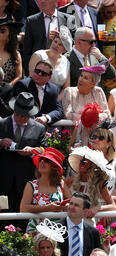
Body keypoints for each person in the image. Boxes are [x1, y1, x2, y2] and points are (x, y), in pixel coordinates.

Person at [0, 92, 47, 231]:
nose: (21, 118)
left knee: (24, 222)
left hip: (26, 183)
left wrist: (32, 151)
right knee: (3, 220)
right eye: (19, 114)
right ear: (14, 111)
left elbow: (45, 151)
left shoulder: (39, 128)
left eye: (25, 115)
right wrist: (1, 142)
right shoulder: (2, 124)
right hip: (3, 182)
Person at [19, 147, 68, 234]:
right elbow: (23, 208)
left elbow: (71, 201)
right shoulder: (31, 185)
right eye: (41, 159)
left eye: (47, 160)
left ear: (54, 166)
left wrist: (66, 206)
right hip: (35, 232)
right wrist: (48, 208)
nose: (42, 162)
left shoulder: (61, 184)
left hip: (57, 232)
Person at [22, 0, 76, 75]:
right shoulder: (31, 21)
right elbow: (27, 50)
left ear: (56, 1)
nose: (43, 1)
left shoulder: (68, 19)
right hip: (38, 70)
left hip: (61, 68)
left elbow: (74, 44)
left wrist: (63, 38)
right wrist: (30, 72)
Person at [58, 192, 101, 256]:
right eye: (71, 203)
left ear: (85, 211)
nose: (71, 207)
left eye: (76, 205)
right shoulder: (56, 228)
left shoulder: (93, 232)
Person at [66, 146, 116, 221]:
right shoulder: (70, 181)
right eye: (81, 161)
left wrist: (97, 208)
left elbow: (113, 206)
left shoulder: (99, 183)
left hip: (88, 223)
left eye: (85, 161)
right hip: (70, 221)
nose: (81, 163)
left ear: (92, 165)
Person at [13, 60, 65, 125]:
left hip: (44, 128)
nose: (39, 74)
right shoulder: (23, 85)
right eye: (37, 71)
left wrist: (46, 118)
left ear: (49, 77)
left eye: (43, 73)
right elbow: (20, 108)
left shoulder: (53, 89)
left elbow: (59, 111)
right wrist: (40, 117)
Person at [28, 25, 72, 96]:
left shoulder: (66, 62)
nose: (56, 45)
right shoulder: (39, 55)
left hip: (57, 99)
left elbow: (66, 87)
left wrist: (56, 100)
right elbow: (32, 79)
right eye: (55, 41)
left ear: (65, 50)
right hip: (37, 94)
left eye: (60, 45)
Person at [89, 120, 116, 207]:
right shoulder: (86, 160)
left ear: (109, 143)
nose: (96, 140)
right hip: (90, 206)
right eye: (94, 137)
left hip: (110, 205)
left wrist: (109, 204)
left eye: (101, 138)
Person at [97, 0, 116, 93]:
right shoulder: (99, 18)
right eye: (109, 12)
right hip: (105, 55)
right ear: (103, 10)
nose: (113, 14)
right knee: (107, 83)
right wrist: (100, 37)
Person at [0, 18, 22, 87]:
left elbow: (19, 76)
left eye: (2, 31)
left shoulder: (15, 54)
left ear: (9, 35)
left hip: (7, 93)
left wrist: (6, 89)